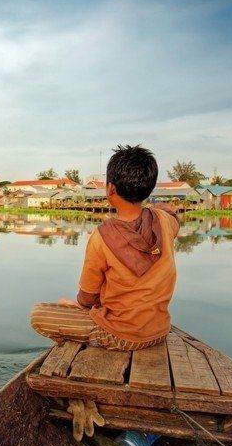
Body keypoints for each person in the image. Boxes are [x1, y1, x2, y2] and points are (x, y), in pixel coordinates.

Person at [30, 145, 180, 351]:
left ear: (110, 189)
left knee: (38, 314)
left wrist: (80, 308)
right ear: (149, 188)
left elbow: (87, 297)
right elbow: (172, 214)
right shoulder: (165, 221)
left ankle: (88, 338)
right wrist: (158, 209)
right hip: (159, 331)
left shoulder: (101, 236)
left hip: (120, 335)